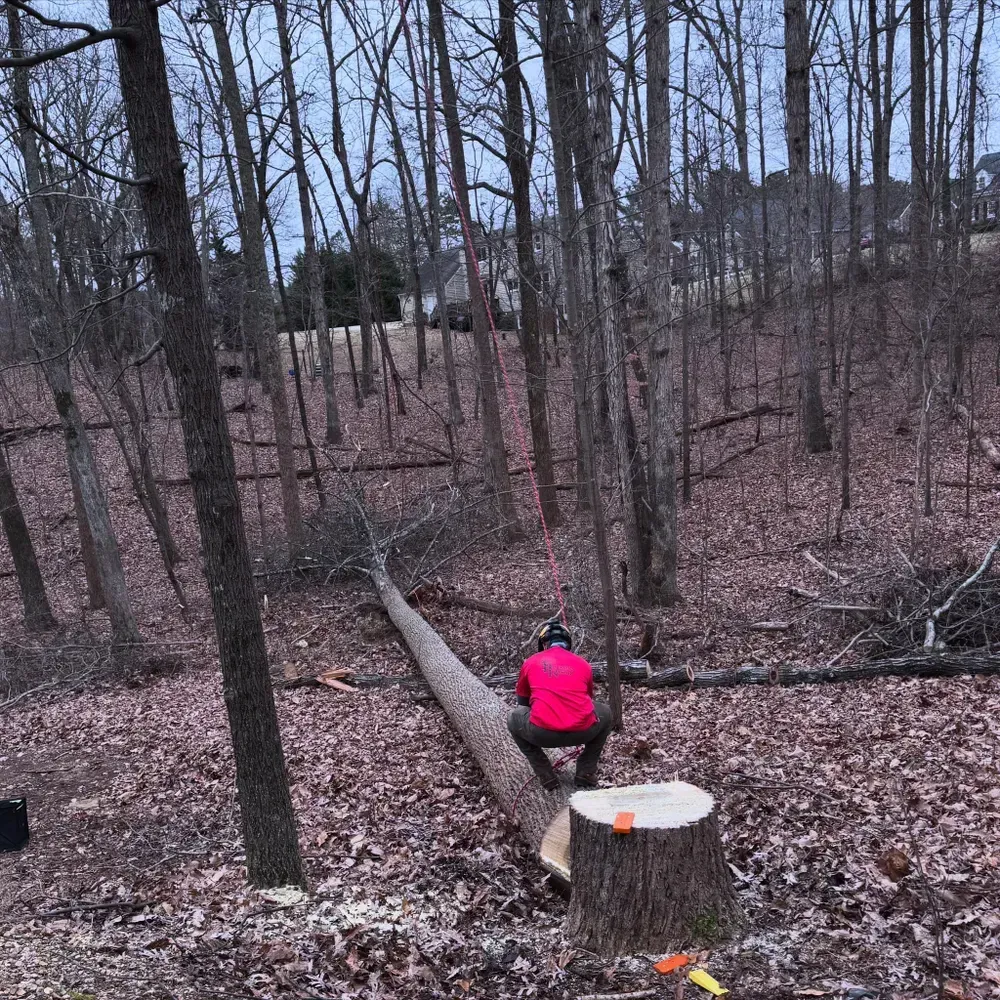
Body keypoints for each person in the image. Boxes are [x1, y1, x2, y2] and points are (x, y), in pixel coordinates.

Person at [507, 620, 612, 791]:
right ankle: (586, 771)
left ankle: (545, 775)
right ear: (568, 643)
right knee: (605, 712)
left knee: (513, 717)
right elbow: (587, 699)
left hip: (542, 734)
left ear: (544, 643)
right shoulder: (583, 664)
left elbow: (522, 704)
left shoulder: (531, 662)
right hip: (583, 731)